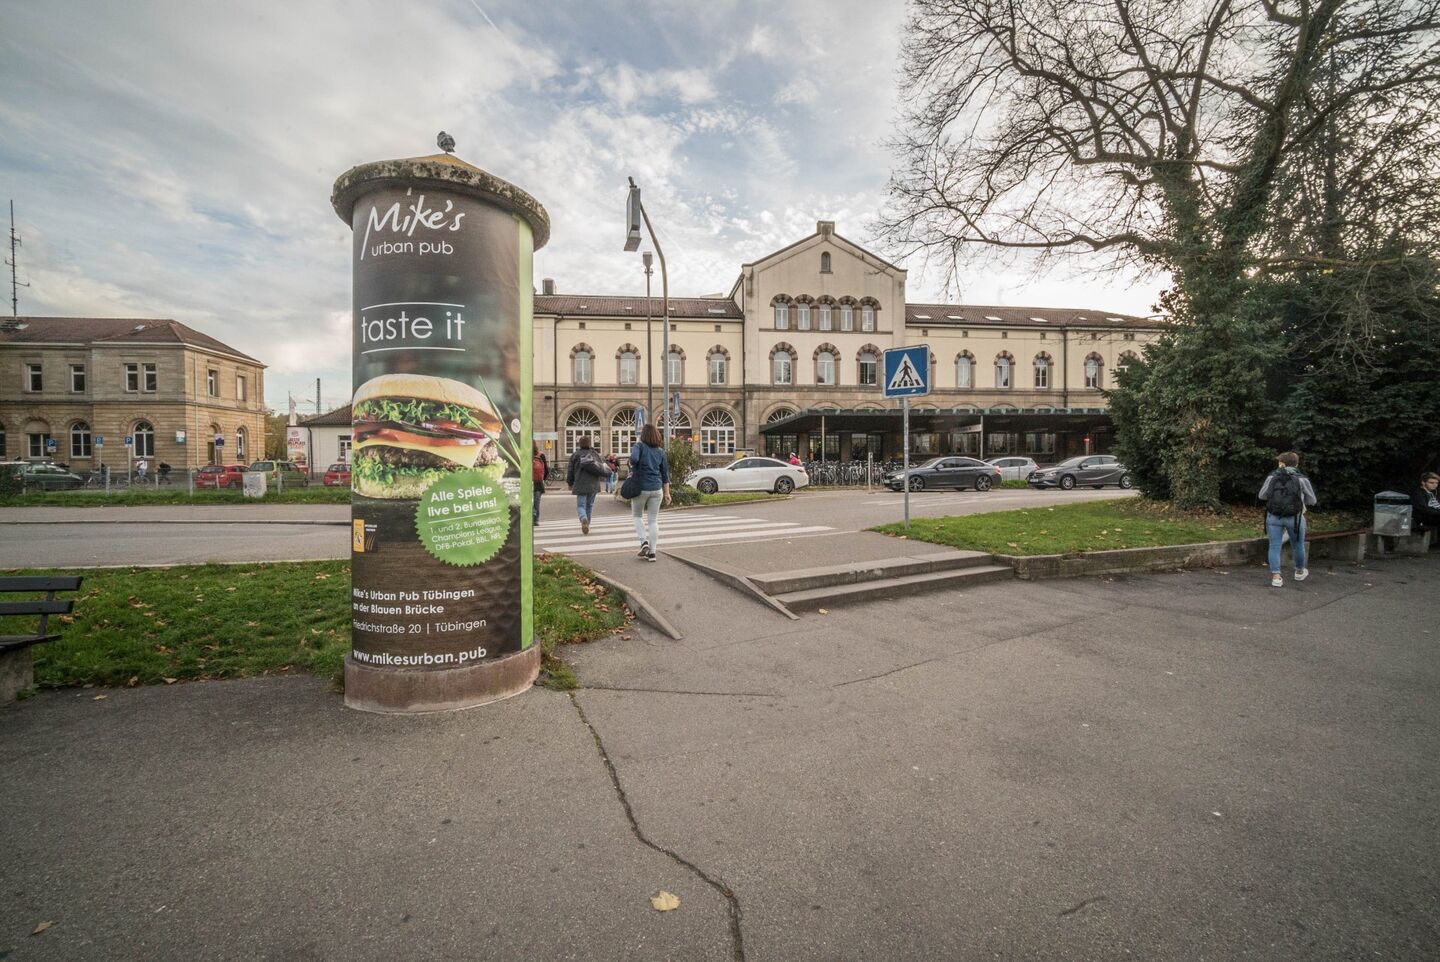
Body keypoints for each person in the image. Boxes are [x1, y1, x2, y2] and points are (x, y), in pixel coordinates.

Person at [1258, 451, 1317, 588]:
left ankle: (1276, 577)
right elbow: (1312, 501)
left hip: (1273, 516)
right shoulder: (1302, 479)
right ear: (1297, 464)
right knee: (1298, 545)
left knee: (1274, 546)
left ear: (1281, 463)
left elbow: (1262, 496)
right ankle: (1299, 571)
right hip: (1295, 518)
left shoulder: (1272, 477)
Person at [629, 423, 671, 561]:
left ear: (643, 435)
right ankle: (652, 553)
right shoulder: (660, 452)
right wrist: (667, 493)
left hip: (641, 487)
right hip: (657, 489)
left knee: (637, 516)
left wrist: (634, 465)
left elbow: (633, 459)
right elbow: (665, 474)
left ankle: (644, 542)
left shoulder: (639, 446)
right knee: (653, 520)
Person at [566, 435, 608, 535]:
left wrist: (570, 482)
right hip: (593, 484)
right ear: (590, 443)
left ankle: (583, 518)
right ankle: (587, 524)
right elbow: (601, 467)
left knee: (581, 505)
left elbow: (570, 470)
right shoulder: (595, 454)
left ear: (579, 444)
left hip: (580, 483)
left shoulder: (575, 455)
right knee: (589, 505)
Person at [1411, 471, 1440, 537]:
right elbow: (1424, 509)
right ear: (1423, 482)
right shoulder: (1418, 493)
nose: (1435, 485)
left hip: (1435, 516)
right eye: (1431, 483)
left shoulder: (1434, 492)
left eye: (1436, 483)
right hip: (1425, 519)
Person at [531, 443, 548, 525]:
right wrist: (542, 479)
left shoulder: (524, 454)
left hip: (527, 483)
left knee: (528, 502)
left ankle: (528, 518)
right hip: (538, 483)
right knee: (536, 502)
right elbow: (546, 471)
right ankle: (535, 519)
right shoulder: (541, 455)